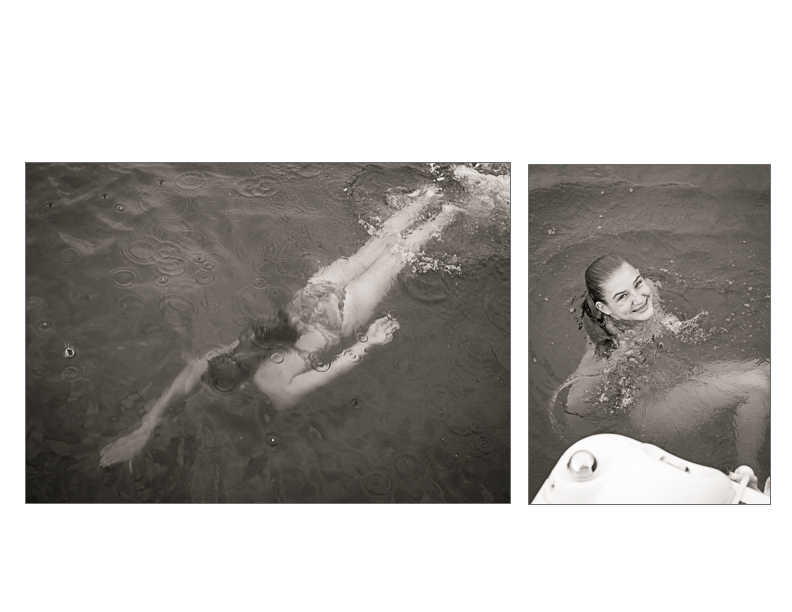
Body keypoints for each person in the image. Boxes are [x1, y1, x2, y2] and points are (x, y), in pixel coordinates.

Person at [100, 186, 461, 468]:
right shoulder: (238, 347)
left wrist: (370, 340)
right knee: (377, 245)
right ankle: (431, 192)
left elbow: (333, 368)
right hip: (313, 295)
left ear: (238, 389)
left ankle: (453, 210)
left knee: (397, 258)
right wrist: (145, 427)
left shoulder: (276, 390)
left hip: (338, 319)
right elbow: (190, 374)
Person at [550, 253, 769, 469]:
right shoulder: (608, 350)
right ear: (604, 309)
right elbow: (575, 405)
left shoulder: (649, 292)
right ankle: (748, 472)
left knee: (768, 373)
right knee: (755, 381)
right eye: (622, 297)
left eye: (637, 283)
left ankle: (746, 472)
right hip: (653, 411)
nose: (639, 298)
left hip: (678, 378)